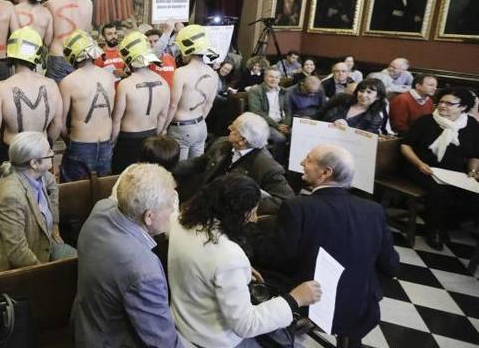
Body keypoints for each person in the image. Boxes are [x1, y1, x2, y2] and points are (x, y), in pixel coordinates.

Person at [258, 145, 399, 346]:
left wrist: (253, 230)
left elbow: (279, 257)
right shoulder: (374, 210)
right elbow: (391, 265)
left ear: (325, 172)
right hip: (361, 305)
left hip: (311, 300)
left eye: (308, 160)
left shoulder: (298, 207)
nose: (301, 164)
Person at [169, 174, 321, 347]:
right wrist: (294, 299)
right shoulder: (229, 256)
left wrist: (241, 270)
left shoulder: (179, 222)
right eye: (253, 212)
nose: (254, 218)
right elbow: (246, 325)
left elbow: (205, 265)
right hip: (212, 338)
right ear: (238, 213)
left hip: (183, 320)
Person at [71, 164, 185, 347]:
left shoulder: (100, 211)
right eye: (170, 206)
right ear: (149, 216)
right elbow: (163, 343)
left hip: (86, 327)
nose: (173, 210)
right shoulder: (144, 271)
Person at [0, 131, 75, 273]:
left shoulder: (37, 174)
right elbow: (17, 253)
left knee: (82, 262)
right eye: (48, 151)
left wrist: (55, 223)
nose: (52, 153)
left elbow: (53, 186)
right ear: (34, 163)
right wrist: (46, 273)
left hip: (44, 244)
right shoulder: (12, 197)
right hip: (20, 268)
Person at [401, 88, 479, 249]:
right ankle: (433, 230)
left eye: (449, 103)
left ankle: (448, 223)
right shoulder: (426, 121)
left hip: (455, 171)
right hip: (421, 167)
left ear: (463, 107)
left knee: (472, 193)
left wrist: (472, 171)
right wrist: (419, 164)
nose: (443, 106)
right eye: (441, 102)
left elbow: (475, 153)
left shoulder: (471, 125)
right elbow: (406, 146)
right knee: (439, 192)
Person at [173, 112, 294, 214]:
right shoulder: (222, 143)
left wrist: (243, 202)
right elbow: (199, 163)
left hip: (226, 213)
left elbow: (285, 200)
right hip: (203, 198)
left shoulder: (265, 166)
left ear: (242, 140)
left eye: (234, 129)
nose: (229, 127)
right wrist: (169, 167)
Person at [0, 26, 62, 173]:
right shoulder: (51, 85)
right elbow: (57, 125)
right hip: (41, 154)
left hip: (12, 154)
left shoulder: (1, 88)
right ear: (38, 54)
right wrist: (47, 145)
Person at [59, 30, 115, 181]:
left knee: (74, 195)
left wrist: (68, 141)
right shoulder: (108, 77)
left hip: (80, 144)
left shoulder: (69, 81)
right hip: (105, 143)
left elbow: (60, 122)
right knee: (103, 191)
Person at [111, 31, 170, 173]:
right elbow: (163, 117)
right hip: (152, 137)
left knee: (124, 182)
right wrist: (157, 136)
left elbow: (116, 120)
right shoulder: (163, 82)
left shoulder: (126, 84)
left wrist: (112, 143)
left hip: (128, 140)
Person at [164, 25, 219, 159]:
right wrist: (197, 123)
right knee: (195, 170)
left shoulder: (181, 73)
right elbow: (209, 104)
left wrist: (164, 128)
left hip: (181, 127)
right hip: (201, 125)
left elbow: (173, 105)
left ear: (187, 50)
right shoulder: (213, 74)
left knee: (179, 170)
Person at [44, 0, 93, 83]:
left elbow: (48, 40)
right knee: (76, 99)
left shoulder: (50, 4)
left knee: (56, 99)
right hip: (79, 58)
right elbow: (86, 33)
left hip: (58, 56)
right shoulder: (88, 3)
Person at [317, 78, 389, 135]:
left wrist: (347, 130)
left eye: (369, 92)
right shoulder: (340, 99)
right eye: (361, 91)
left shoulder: (375, 119)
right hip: (320, 135)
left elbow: (364, 142)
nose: (363, 95)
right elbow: (319, 114)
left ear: (378, 97)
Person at [248, 69, 291, 144]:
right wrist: (276, 125)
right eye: (271, 77)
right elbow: (256, 112)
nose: (274, 79)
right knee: (280, 138)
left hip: (281, 123)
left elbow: (288, 110)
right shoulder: (256, 90)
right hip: (264, 124)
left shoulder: (283, 91)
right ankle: (275, 156)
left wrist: (285, 125)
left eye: (277, 77)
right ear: (264, 77)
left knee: (296, 135)